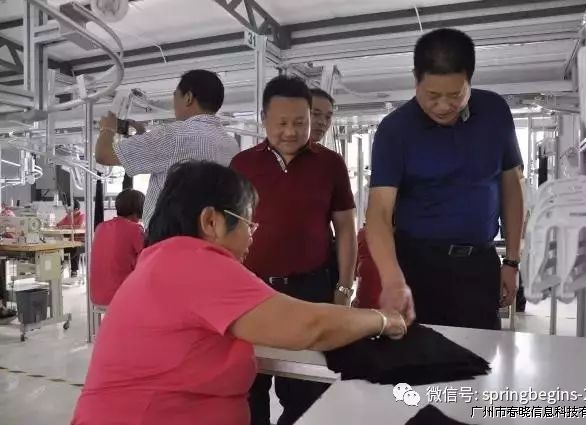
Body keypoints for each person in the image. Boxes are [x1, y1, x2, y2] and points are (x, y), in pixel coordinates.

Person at [71, 160, 406, 425]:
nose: (251, 236)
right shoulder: (196, 263)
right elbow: (309, 327)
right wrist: (381, 319)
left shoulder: (163, 260)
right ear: (211, 222)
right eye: (248, 223)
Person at [366, 28, 524, 330]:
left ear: (469, 81)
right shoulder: (395, 130)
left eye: (455, 96)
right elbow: (379, 212)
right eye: (432, 96)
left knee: (479, 353)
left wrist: (513, 261)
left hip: (479, 265)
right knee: (420, 352)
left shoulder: (495, 113)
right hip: (417, 267)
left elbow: (512, 188)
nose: (442, 106)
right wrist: (392, 278)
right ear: (416, 80)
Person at [230, 76, 357, 425]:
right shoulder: (242, 164)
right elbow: (227, 230)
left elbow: (346, 229)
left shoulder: (330, 164)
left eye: (300, 122)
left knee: (307, 390)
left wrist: (344, 289)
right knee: (249, 385)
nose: (291, 132)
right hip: (253, 292)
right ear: (263, 120)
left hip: (309, 291)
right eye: (281, 123)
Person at [95, 69, 240, 225]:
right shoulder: (231, 145)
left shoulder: (173, 135)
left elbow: (104, 155)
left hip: (170, 234)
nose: (173, 102)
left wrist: (107, 128)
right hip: (211, 231)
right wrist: (142, 135)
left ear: (188, 97)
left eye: (175, 95)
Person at [89, 189, 145, 306]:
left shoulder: (100, 227)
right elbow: (147, 259)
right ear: (140, 209)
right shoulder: (135, 230)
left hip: (96, 296)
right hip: (120, 298)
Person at [58, 199, 85, 278]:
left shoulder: (82, 216)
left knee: (74, 247)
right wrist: (64, 226)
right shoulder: (68, 216)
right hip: (71, 241)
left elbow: (79, 226)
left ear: (76, 209)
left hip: (82, 242)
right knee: (59, 247)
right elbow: (58, 225)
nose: (68, 211)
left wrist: (65, 227)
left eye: (70, 210)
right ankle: (63, 263)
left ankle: (72, 268)